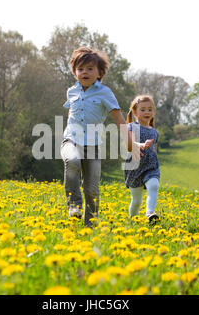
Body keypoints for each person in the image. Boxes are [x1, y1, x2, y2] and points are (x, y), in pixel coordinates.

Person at [60, 47, 146, 227]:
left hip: (92, 146)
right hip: (70, 140)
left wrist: (130, 143)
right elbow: (72, 113)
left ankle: (89, 227)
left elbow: (119, 119)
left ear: (99, 72)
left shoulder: (104, 93)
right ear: (74, 72)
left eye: (90, 68)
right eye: (81, 68)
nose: (85, 72)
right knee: (73, 161)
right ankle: (73, 206)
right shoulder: (72, 92)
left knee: (91, 190)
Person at [124, 95, 160, 225]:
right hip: (134, 168)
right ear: (135, 112)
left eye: (150, 109)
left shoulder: (155, 132)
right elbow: (129, 144)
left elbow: (154, 150)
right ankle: (132, 221)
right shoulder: (130, 127)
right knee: (136, 200)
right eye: (143, 109)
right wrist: (141, 145)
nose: (147, 112)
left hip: (151, 167)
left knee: (154, 186)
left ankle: (149, 213)